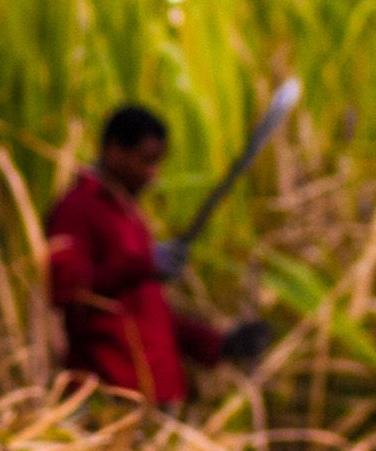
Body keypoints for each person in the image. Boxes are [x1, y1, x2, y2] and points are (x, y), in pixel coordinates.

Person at [45, 106, 269, 404]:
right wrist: (143, 264)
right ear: (114, 151)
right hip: (109, 396)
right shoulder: (76, 210)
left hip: (153, 396)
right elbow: (66, 289)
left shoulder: (130, 217)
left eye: (158, 163)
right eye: (146, 161)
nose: (154, 173)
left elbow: (148, 313)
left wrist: (219, 344)